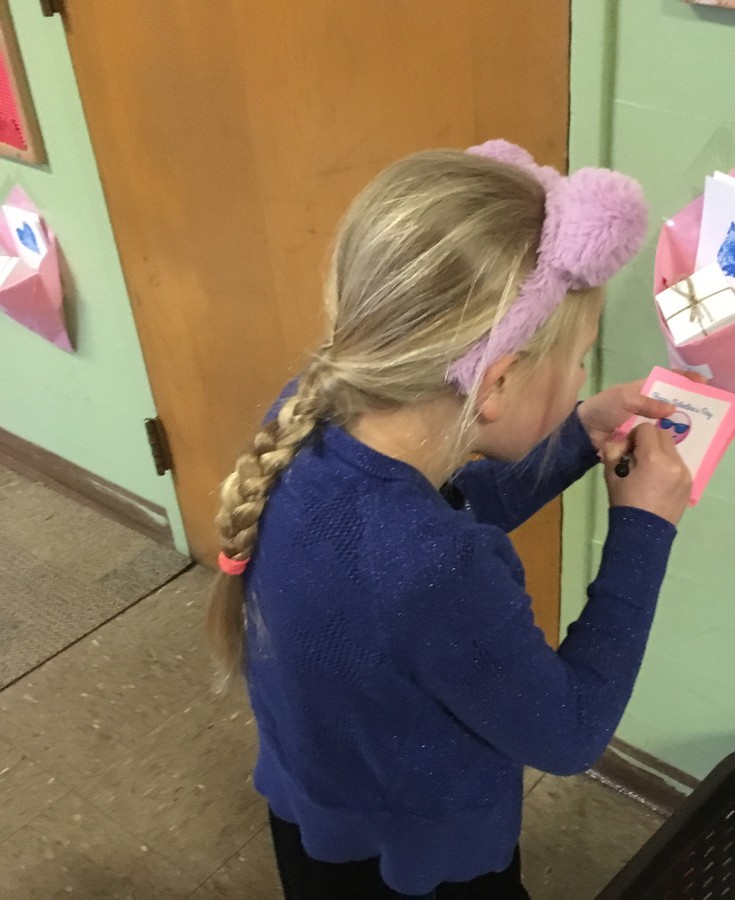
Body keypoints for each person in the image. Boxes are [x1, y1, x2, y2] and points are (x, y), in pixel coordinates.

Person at [205, 140, 692, 899]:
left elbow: (428, 515)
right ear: (496, 383)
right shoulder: (436, 566)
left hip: (319, 821)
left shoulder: (309, 418)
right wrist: (645, 529)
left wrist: (576, 435)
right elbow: (569, 731)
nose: (579, 382)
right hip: (426, 869)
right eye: (579, 362)